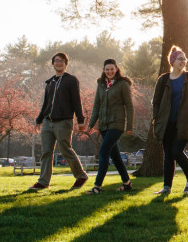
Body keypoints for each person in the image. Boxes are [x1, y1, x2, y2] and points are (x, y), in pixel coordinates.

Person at [30, 52, 89, 190]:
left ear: (65, 63)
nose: (58, 63)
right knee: (46, 152)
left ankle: (81, 176)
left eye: (62, 61)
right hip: (47, 122)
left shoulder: (71, 80)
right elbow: (46, 103)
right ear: (53, 63)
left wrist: (81, 120)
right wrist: (39, 120)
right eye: (56, 60)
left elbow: (76, 100)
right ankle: (43, 182)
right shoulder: (50, 82)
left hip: (63, 122)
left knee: (65, 150)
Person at [151, 46, 188, 195]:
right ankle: (167, 187)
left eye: (184, 59)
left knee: (176, 151)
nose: (183, 61)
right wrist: (156, 117)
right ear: (172, 61)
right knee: (168, 155)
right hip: (166, 123)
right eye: (180, 58)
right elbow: (156, 101)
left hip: (183, 123)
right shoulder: (163, 79)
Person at [86, 59, 135, 194]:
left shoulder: (122, 84)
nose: (109, 72)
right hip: (104, 125)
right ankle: (127, 183)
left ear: (116, 69)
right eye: (107, 69)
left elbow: (129, 106)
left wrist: (129, 126)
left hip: (117, 124)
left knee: (103, 151)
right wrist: (90, 125)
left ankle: (97, 186)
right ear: (104, 70)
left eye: (112, 69)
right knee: (115, 156)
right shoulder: (101, 84)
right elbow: (97, 105)